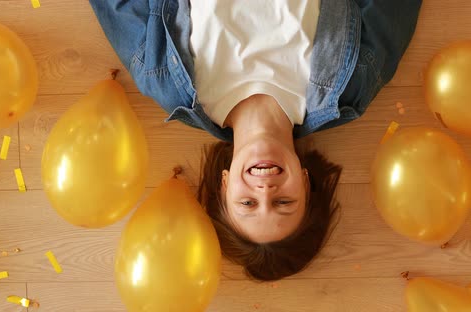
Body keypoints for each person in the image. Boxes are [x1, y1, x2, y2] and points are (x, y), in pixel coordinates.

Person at [90, 0, 422, 281]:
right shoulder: (351, 85)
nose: (265, 192)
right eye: (284, 203)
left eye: (247, 204)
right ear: (305, 184)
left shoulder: (163, 78)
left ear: (224, 186)